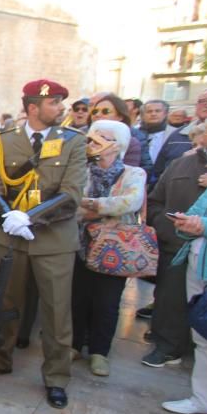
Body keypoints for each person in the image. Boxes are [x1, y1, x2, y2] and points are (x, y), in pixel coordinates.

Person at [0, 79, 87, 409]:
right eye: (54, 103)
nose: (60, 109)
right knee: (7, 304)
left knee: (56, 311)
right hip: (11, 237)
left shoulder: (72, 142)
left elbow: (71, 194)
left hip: (54, 240)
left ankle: (56, 376)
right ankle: (1, 357)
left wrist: (30, 217)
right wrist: (9, 216)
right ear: (33, 107)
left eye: (60, 103)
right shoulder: (4, 140)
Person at [71, 121, 146, 376]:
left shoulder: (133, 173)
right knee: (77, 298)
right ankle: (73, 344)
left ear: (117, 144)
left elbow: (130, 202)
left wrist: (89, 204)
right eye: (91, 138)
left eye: (100, 138)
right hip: (80, 245)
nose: (91, 143)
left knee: (107, 302)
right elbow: (71, 204)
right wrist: (99, 207)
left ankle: (99, 352)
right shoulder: (82, 171)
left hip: (115, 248)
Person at [143, 117, 207, 367]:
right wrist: (168, 229)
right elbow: (154, 202)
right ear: (201, 134)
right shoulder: (180, 165)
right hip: (176, 246)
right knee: (169, 298)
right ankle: (167, 345)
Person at [162, 185, 207, 414]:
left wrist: (203, 226)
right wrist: (184, 223)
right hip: (199, 268)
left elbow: (204, 222)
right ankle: (203, 400)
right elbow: (197, 212)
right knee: (203, 340)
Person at [89, 93, 150, 172]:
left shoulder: (131, 143)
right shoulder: (83, 138)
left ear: (120, 116)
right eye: (95, 111)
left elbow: (125, 174)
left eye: (105, 111)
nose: (97, 114)